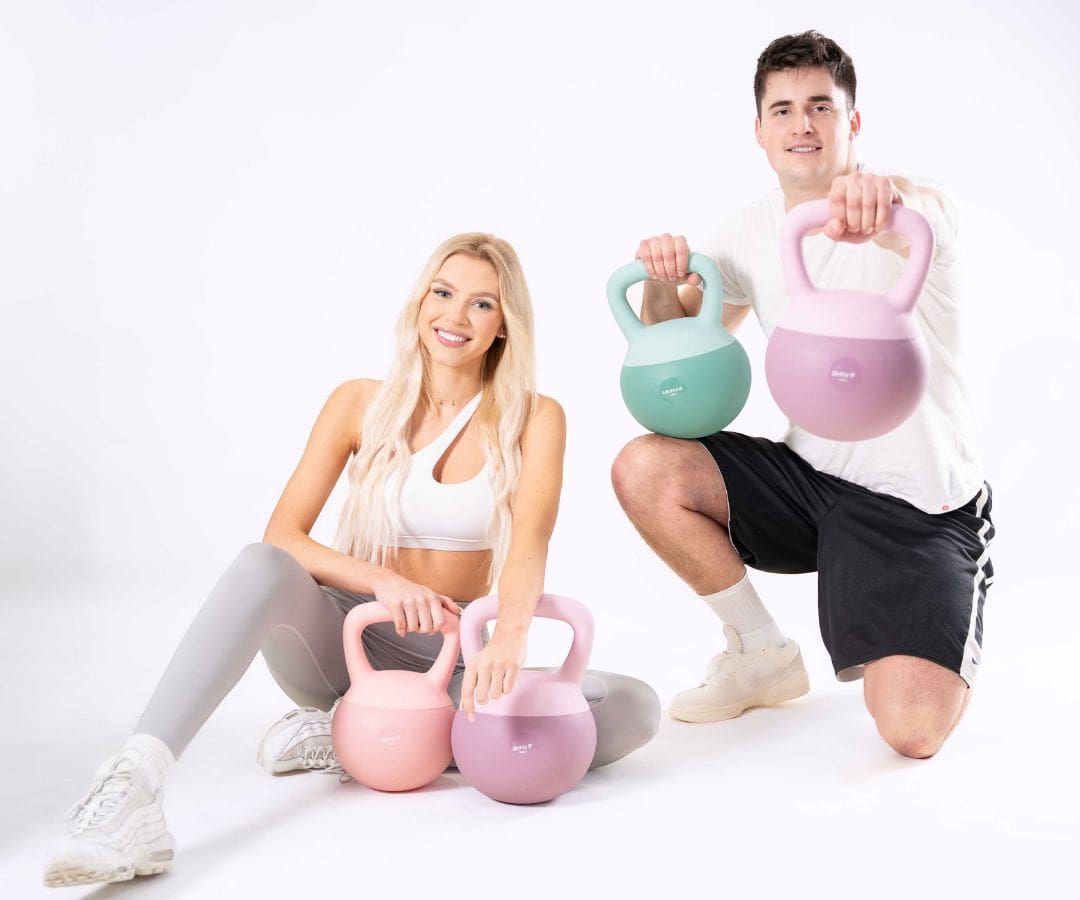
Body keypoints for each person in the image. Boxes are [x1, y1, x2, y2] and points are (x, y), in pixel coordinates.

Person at [45, 233, 659, 888]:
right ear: (421, 300)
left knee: (629, 706)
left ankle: (356, 736)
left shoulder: (535, 417)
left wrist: (509, 635)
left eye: (482, 304)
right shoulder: (358, 402)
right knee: (260, 565)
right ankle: (135, 785)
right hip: (350, 642)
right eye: (443, 293)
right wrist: (383, 582)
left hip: (452, 658)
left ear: (504, 324)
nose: (455, 316)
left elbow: (532, 539)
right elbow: (285, 534)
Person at [612, 31, 994, 759]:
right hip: (811, 485)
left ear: (853, 122)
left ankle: (940, 602)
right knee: (646, 465)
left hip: (918, 507)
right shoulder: (747, 231)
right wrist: (661, 285)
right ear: (759, 130)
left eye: (822, 106)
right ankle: (761, 653)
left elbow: (920, 214)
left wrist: (883, 200)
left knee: (911, 732)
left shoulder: (912, 210)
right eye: (783, 110)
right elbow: (686, 345)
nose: (803, 125)